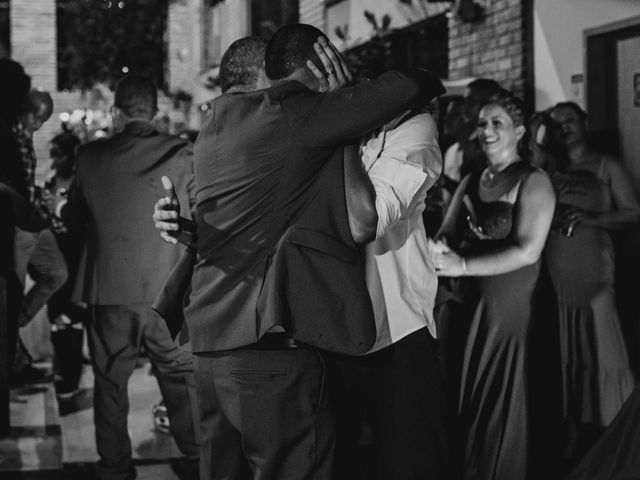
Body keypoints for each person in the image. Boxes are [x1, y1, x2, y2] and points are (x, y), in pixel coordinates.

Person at [156, 24, 444, 479]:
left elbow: (262, 217)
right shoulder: (298, 117)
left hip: (223, 342)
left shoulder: (214, 127)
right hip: (268, 342)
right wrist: (342, 115)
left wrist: (195, 232)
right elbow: (360, 219)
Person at [59, 75, 200, 480]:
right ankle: (196, 459)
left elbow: (73, 219)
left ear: (118, 111)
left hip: (109, 289)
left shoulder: (90, 156)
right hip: (168, 288)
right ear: (154, 112)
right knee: (179, 378)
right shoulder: (183, 153)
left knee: (109, 383)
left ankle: (115, 468)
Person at [431, 88, 555, 480]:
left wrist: (462, 264)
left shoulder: (534, 181)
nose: (486, 130)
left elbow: (528, 251)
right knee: (462, 390)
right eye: (482, 123)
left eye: (496, 123)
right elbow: (448, 234)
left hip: (510, 305)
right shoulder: (471, 179)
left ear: (520, 131)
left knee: (498, 395)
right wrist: (436, 248)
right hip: (466, 302)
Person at [544, 101, 639, 460]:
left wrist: (592, 218)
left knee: (603, 339)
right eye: (556, 124)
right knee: (567, 347)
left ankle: (618, 434)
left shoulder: (605, 164)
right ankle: (573, 432)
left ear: (584, 122)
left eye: (570, 119)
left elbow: (634, 212)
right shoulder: (549, 168)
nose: (563, 127)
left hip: (593, 265)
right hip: (556, 267)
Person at [12, 90, 69, 382]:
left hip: (31, 221)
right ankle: (14, 354)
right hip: (19, 224)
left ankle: (13, 329)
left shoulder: (23, 138)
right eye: (39, 119)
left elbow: (23, 184)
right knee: (13, 288)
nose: (39, 125)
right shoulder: (13, 136)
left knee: (57, 272)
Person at [40, 131, 86, 398]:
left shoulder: (82, 183)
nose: (54, 160)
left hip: (77, 257)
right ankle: (63, 366)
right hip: (55, 256)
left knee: (71, 317)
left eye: (58, 154)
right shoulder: (51, 180)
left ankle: (70, 376)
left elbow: (83, 220)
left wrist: (58, 207)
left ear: (71, 155)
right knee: (56, 316)